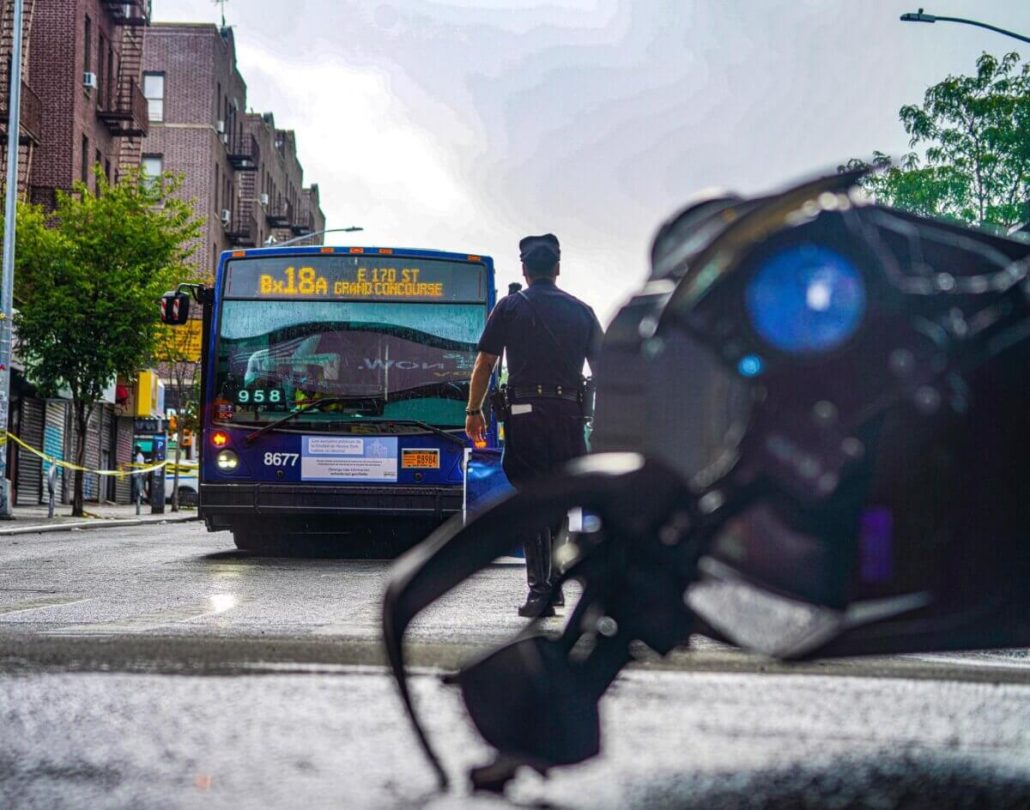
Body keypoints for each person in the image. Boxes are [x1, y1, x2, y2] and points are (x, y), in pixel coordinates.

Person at [465, 233, 604, 617]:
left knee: (531, 497)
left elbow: (484, 365)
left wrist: (473, 411)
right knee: (558, 496)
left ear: (524, 269)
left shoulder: (509, 307)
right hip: (570, 414)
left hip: (525, 414)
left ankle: (539, 591)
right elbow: (607, 371)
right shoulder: (583, 311)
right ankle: (553, 584)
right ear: (557, 269)